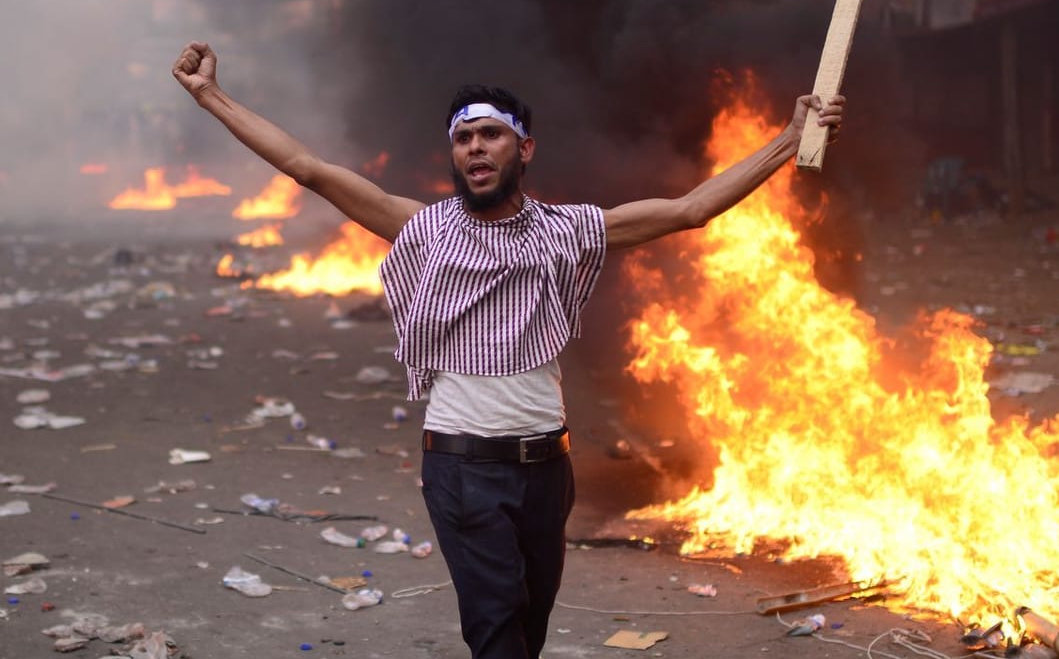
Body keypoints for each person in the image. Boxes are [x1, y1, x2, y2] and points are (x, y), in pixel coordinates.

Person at [170, 41, 845, 659]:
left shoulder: (565, 232)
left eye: (490, 133)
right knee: (497, 632)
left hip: (548, 468)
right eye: (461, 138)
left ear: (524, 148)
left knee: (527, 624)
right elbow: (306, 168)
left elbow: (690, 209)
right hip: (464, 469)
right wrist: (211, 96)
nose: (474, 147)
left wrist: (787, 138)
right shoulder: (425, 229)